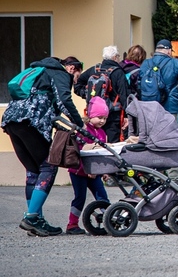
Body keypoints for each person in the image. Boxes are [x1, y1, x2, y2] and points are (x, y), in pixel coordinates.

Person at [2, 56, 84, 237]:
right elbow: (63, 100)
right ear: (71, 68)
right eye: (76, 76)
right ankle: (32, 217)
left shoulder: (38, 71)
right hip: (31, 120)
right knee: (49, 166)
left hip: (12, 120)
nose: (74, 81)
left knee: (33, 170)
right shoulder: (59, 72)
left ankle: (35, 220)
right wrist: (80, 125)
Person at [140, 39, 178, 186]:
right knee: (172, 141)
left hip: (150, 109)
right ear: (169, 50)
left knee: (152, 142)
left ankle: (154, 177)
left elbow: (138, 83)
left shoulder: (146, 64)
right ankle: (174, 178)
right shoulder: (175, 63)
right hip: (171, 108)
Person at [66, 96, 110, 234]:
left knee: (102, 196)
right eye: (99, 117)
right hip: (79, 171)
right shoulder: (83, 130)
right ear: (90, 116)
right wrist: (88, 168)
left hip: (95, 173)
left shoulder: (102, 133)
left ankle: (109, 220)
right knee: (80, 197)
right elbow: (81, 151)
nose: (102, 121)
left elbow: (102, 154)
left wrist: (105, 170)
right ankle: (72, 224)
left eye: (105, 118)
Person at [74, 45, 129, 143]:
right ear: (115, 57)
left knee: (94, 142)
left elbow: (77, 85)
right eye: (118, 56)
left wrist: (86, 94)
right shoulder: (118, 72)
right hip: (112, 116)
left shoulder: (94, 70)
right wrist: (127, 116)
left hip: (94, 116)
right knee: (112, 145)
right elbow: (124, 96)